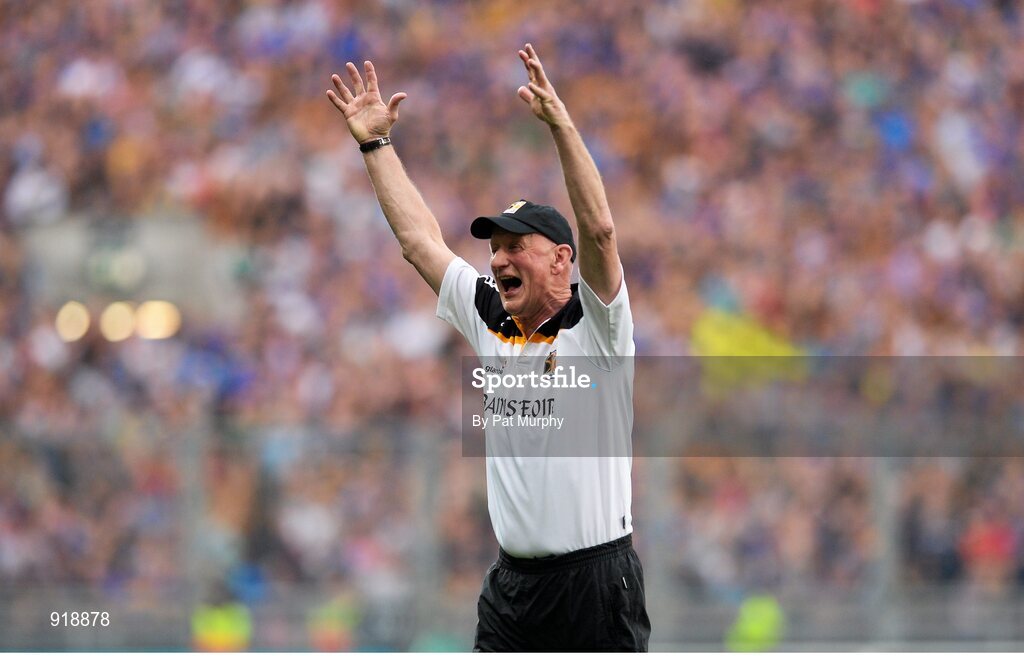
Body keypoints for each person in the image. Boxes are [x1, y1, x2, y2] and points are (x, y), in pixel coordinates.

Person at [327, 43, 650, 652]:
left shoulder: (598, 327)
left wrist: (562, 127)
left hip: (595, 584)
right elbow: (420, 242)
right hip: (513, 587)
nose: (498, 257)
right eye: (494, 246)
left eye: (515, 245)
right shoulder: (488, 314)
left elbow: (601, 231)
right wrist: (376, 146)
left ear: (560, 259)